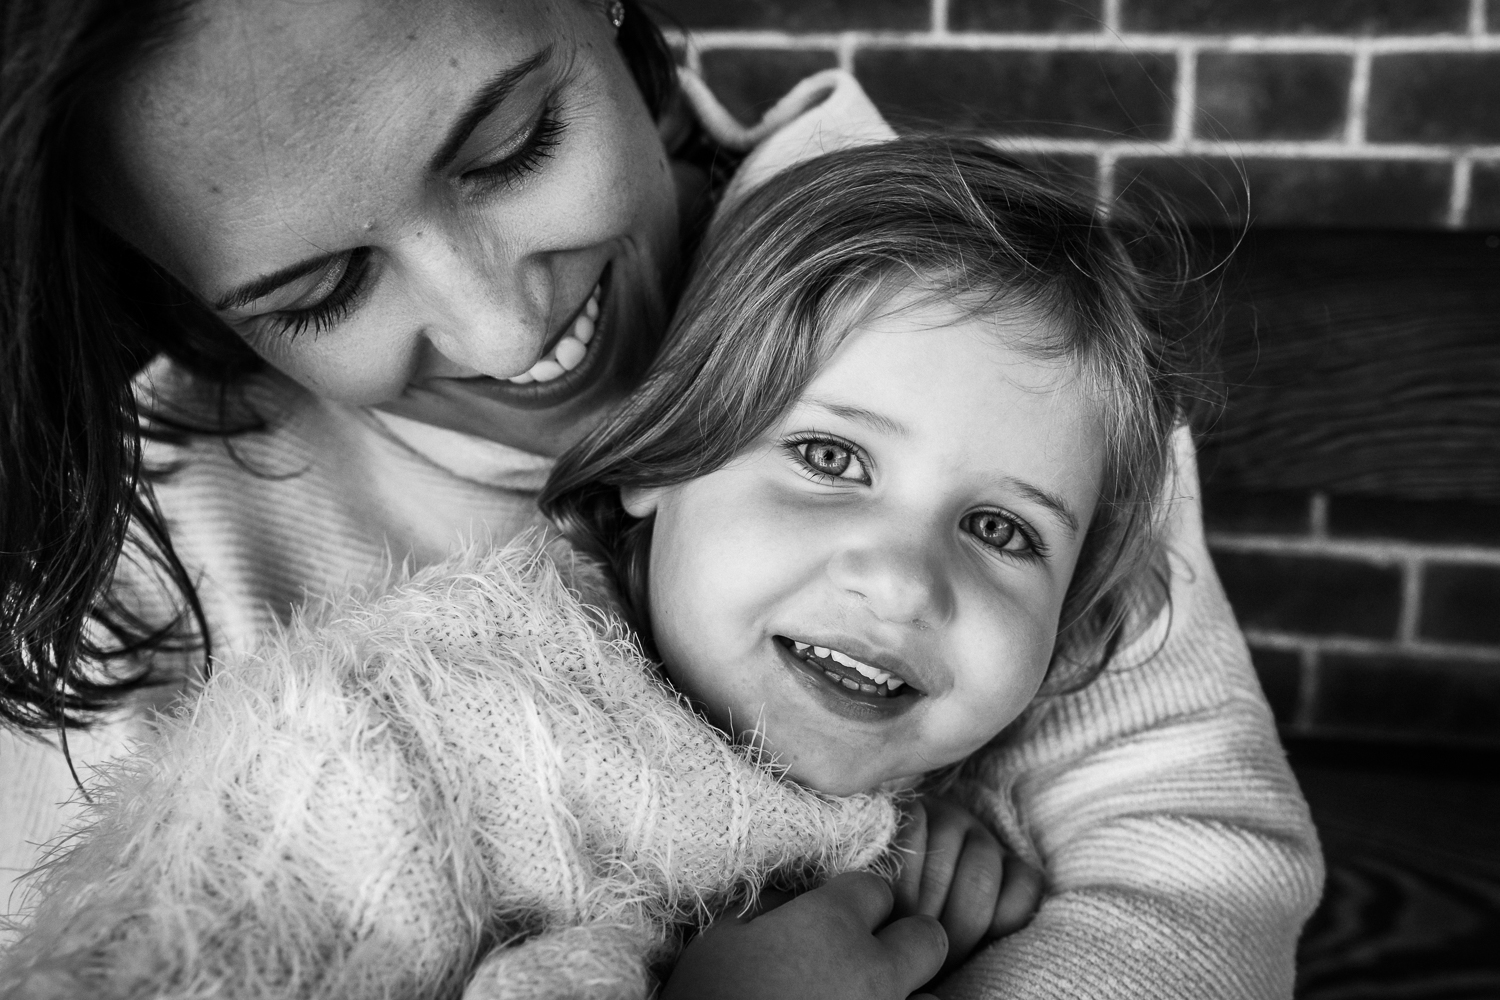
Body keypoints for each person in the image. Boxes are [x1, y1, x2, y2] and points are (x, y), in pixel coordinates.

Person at [0, 0, 1321, 995]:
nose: (499, 325)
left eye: (513, 145)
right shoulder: (157, 547)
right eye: (317, 292)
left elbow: (1186, 872)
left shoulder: (987, 333)